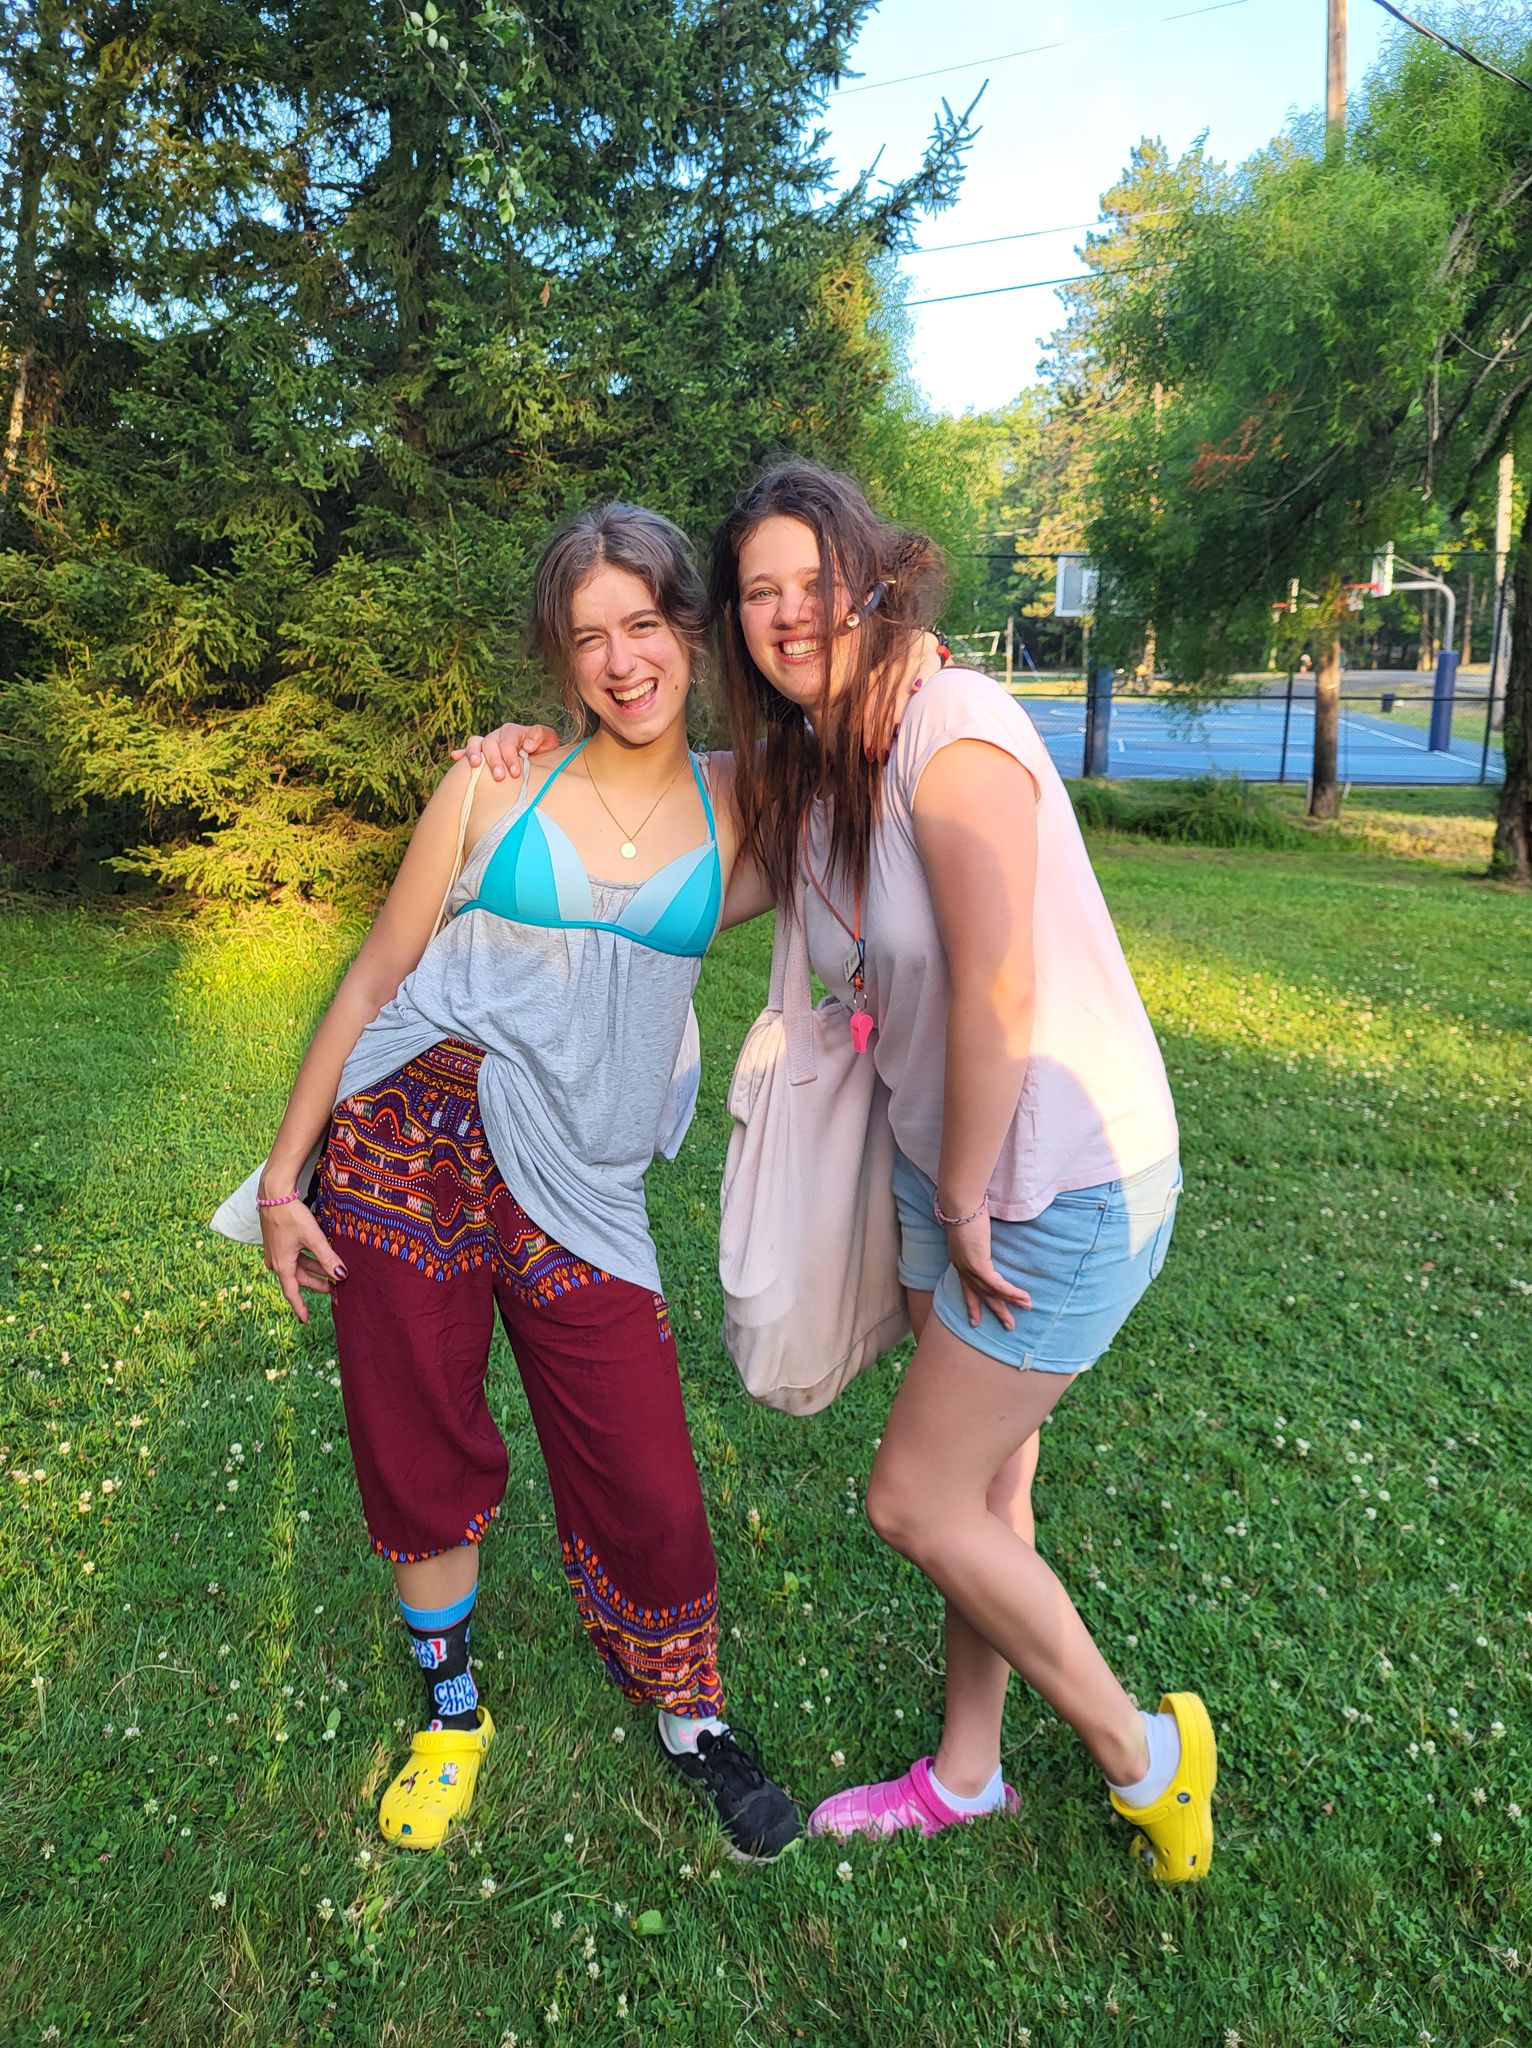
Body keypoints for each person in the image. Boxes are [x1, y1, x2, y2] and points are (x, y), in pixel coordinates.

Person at [466, 461, 1215, 1882]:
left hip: (1056, 1182)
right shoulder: (818, 770)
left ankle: (1149, 1759)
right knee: (987, 1493)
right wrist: (527, 765)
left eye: (815, 581)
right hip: (954, 1171)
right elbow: (652, 852)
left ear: (872, 580)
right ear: (735, 622)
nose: (790, 613)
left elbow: (1000, 988)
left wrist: (970, 1195)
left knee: (915, 1501)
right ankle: (970, 1774)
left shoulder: (954, 733)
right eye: (760, 592)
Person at [253, 503, 799, 1861]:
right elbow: (374, 976)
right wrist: (281, 1180)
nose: (622, 662)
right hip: (411, 1135)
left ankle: (692, 1715)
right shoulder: (498, 784)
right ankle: (452, 1713)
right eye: (589, 637)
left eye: (645, 624)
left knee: (645, 1463)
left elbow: (880, 768)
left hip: (583, 1175)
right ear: (561, 659)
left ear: (694, 630)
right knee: (415, 1427)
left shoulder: (751, 800)